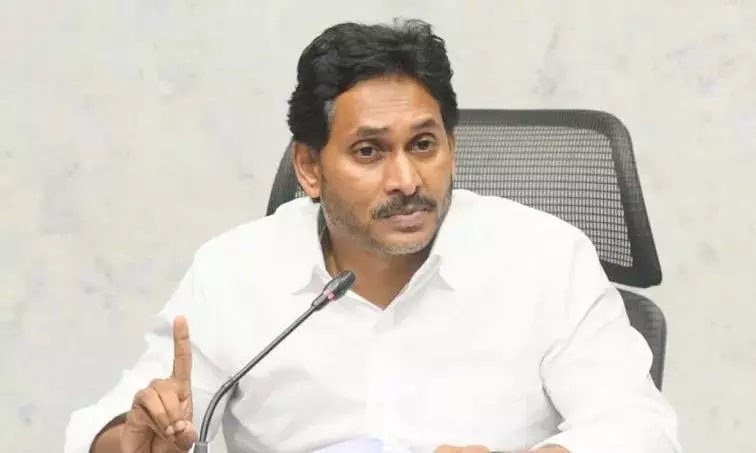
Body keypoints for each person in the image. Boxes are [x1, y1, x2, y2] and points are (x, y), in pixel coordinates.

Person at [64, 18, 681, 453]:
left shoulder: (544, 257)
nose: (407, 180)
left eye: (424, 145)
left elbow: (639, 427)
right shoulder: (235, 271)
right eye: (369, 152)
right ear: (310, 168)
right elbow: (127, 423)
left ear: (451, 147)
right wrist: (129, 441)